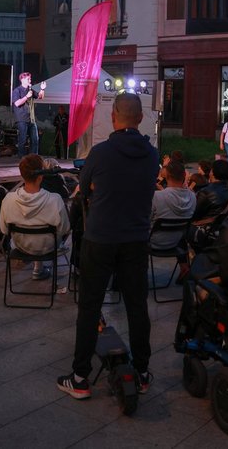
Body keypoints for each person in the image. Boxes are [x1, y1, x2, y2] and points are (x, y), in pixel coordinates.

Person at [57, 93, 159, 400]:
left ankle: (80, 378)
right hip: (136, 240)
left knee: (90, 307)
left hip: (100, 238)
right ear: (141, 118)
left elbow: (82, 188)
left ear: (113, 116)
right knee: (137, 306)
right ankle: (141, 373)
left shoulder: (100, 153)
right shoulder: (153, 155)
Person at [0, 154, 70, 281]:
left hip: (22, 246)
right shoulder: (55, 200)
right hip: (48, 247)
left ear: (22, 174)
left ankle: (38, 267)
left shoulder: (8, 199)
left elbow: (4, 230)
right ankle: (39, 267)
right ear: (41, 175)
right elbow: (65, 229)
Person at [11, 72, 46, 157]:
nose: (30, 80)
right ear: (22, 79)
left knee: (35, 139)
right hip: (22, 118)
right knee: (22, 140)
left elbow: (40, 97)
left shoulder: (30, 90)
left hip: (31, 118)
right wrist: (26, 97)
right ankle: (21, 158)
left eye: (30, 78)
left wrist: (42, 89)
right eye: (28, 79)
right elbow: (17, 103)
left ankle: (34, 157)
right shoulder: (17, 90)